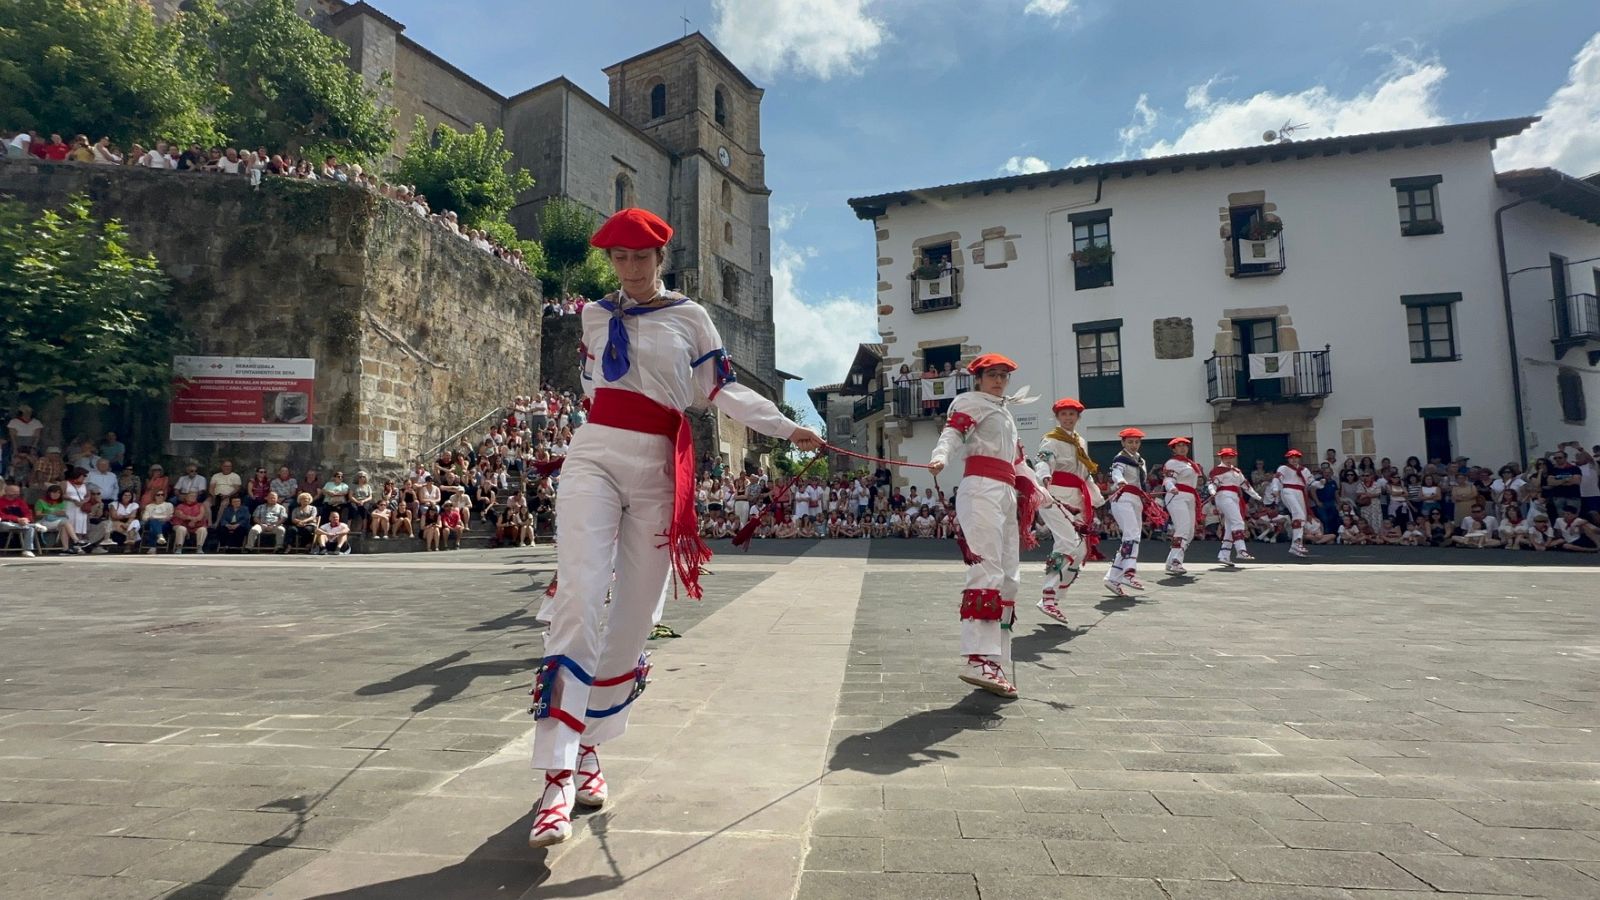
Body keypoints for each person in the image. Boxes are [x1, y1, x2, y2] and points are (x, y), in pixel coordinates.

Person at [530, 208, 820, 850]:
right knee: (578, 596)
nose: (630, 269)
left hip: (661, 464)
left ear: (662, 259)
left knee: (634, 616)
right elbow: (592, 388)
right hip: (596, 452)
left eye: (642, 257)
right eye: (620, 258)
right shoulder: (593, 314)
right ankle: (554, 775)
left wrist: (785, 426)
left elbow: (720, 392)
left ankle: (592, 750)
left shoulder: (690, 316)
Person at [928, 352, 1049, 700]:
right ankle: (977, 658)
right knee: (987, 570)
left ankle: (995, 659)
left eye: (1003, 375)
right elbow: (953, 433)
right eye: (992, 374)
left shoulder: (1005, 414)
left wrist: (1045, 496)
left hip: (1006, 492)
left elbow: (1019, 462)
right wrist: (941, 456)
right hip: (980, 487)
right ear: (978, 378)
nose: (998, 380)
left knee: (1010, 577)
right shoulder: (970, 402)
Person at [1033, 397, 1102, 624]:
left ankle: (1058, 594)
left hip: (1077, 496)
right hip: (1055, 495)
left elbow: (1085, 472)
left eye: (1072, 414)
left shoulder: (1080, 441)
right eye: (1064, 414)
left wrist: (1097, 497)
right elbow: (1043, 459)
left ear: (1078, 417)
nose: (1068, 418)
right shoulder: (1051, 439)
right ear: (1057, 417)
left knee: (1080, 550)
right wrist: (1043, 477)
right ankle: (1048, 597)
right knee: (1068, 542)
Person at [1103, 428, 1151, 595]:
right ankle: (1129, 571)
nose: (1134, 445)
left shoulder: (1141, 460)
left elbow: (1141, 482)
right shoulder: (1120, 458)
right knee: (1131, 534)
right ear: (1123, 442)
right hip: (1123, 497)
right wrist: (1121, 481)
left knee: (1133, 536)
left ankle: (1113, 577)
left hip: (1136, 499)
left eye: (1137, 442)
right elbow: (1116, 472)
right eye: (1130, 442)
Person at [1210, 448, 1262, 566]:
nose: (1228, 459)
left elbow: (1245, 485)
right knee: (1238, 521)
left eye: (1230, 457)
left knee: (1230, 526)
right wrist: (1212, 491)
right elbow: (1212, 483)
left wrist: (1256, 496)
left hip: (1234, 498)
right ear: (1221, 458)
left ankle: (1224, 555)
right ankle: (1241, 550)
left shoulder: (1237, 471)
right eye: (1226, 457)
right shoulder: (1218, 470)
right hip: (1223, 496)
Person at [1161, 437, 1205, 574]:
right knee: (1183, 527)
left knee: (1190, 532)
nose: (1182, 448)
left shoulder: (1190, 464)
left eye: (1185, 446)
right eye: (1179, 446)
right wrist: (1171, 487)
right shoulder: (1172, 462)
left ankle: (1170, 561)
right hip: (1177, 495)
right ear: (1173, 449)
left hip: (1190, 497)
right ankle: (1176, 561)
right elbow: (1168, 479)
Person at [1268, 449, 1314, 558]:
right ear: (1288, 459)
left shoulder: (1304, 470)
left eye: (1296, 457)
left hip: (1300, 492)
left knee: (1302, 517)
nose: (1294, 460)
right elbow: (1277, 479)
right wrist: (1275, 489)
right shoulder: (1284, 468)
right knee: (1298, 514)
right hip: (1288, 490)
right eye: (1291, 458)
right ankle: (1297, 542)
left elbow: (1311, 481)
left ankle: (1295, 545)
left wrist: (1320, 483)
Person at [0, 482, 43, 558]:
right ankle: (34, 525)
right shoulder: (1, 501)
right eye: (14, 492)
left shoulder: (20, 502)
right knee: (8, 524)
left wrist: (25, 519)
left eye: (18, 492)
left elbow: (28, 513)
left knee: (30, 529)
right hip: (4, 523)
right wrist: (17, 519)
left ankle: (27, 550)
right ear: (6, 492)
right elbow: (2, 515)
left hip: (21, 524)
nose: (17, 493)